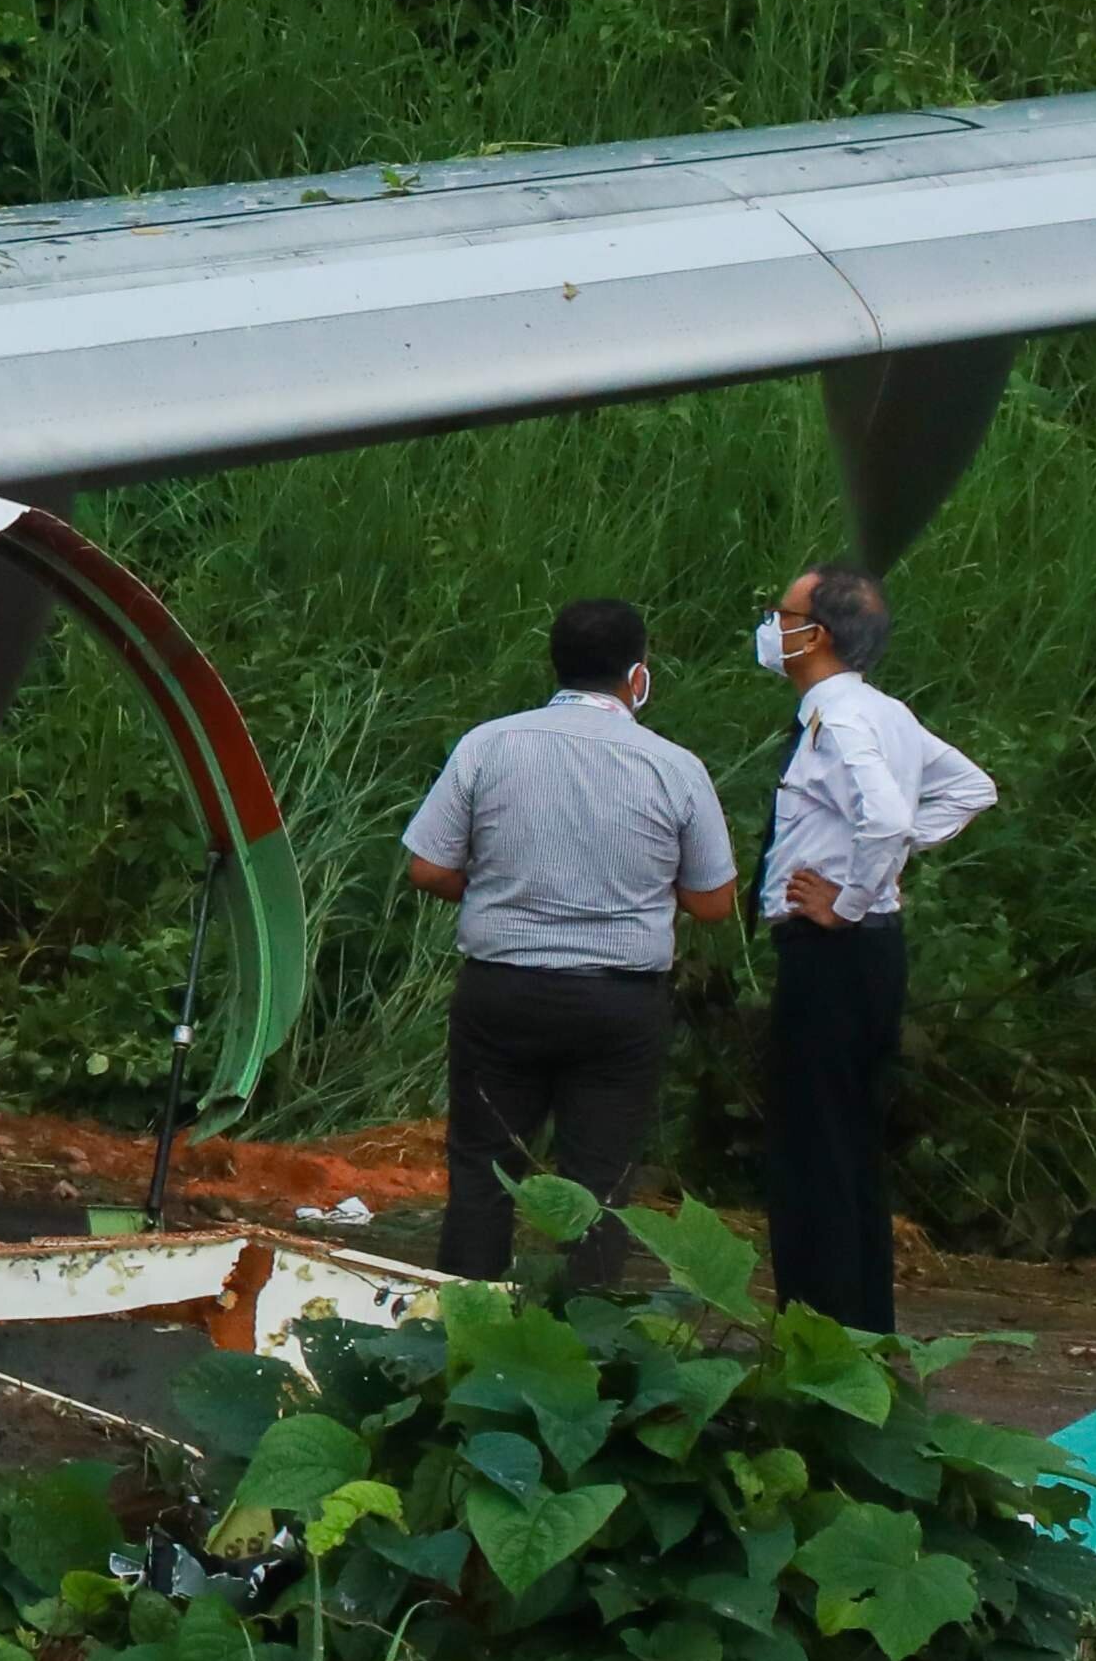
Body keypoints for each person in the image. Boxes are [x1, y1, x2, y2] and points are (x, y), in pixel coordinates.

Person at [395, 595, 735, 1283]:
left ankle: (467, 1331)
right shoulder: (674, 766)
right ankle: (585, 1351)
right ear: (637, 676)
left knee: (484, 1168)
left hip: (504, 991)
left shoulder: (490, 744)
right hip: (619, 1005)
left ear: (556, 665)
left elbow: (427, 867)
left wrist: (500, 889)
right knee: (601, 1183)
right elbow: (713, 900)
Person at [758, 563, 995, 1332]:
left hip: (832, 954)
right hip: (871, 957)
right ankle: (862, 1328)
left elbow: (888, 817)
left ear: (814, 635)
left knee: (813, 1149)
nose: (771, 625)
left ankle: (821, 1334)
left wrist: (848, 901)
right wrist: (879, 873)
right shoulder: (888, 712)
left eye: (781, 612)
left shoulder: (842, 718)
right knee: (849, 1141)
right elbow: (969, 789)